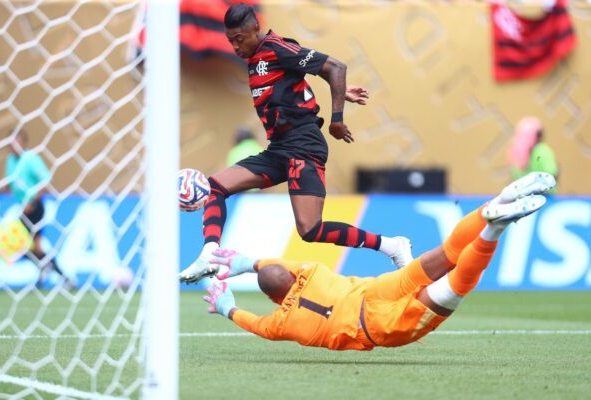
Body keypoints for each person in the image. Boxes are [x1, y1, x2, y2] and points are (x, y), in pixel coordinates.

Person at [179, 3, 412, 284]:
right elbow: (306, 73)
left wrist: (337, 118)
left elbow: (335, 66)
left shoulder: (276, 48)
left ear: (255, 29)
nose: (235, 47)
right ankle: (210, 253)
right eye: (231, 41)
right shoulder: (256, 58)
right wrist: (338, 88)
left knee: (310, 229)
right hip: (279, 147)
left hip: (304, 144)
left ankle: (391, 246)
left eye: (239, 39)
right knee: (214, 187)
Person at [203, 172, 555, 351]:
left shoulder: (283, 323)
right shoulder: (310, 271)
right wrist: (248, 263)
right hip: (379, 289)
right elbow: (282, 267)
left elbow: (256, 324)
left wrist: (226, 307)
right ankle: (501, 199)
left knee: (456, 286)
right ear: (291, 278)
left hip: (377, 325)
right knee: (447, 252)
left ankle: (495, 227)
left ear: (272, 299)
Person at [4, 131, 74, 289]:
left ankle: (59, 275)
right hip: (24, 209)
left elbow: (45, 181)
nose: (13, 145)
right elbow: (10, 183)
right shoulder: (10, 161)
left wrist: (32, 200)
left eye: (16, 142)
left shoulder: (31, 159)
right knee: (25, 247)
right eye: (11, 142)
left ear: (23, 143)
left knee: (31, 246)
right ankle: (49, 271)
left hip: (35, 208)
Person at [508, 116, 559, 193]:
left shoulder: (515, 151)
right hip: (544, 196)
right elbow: (552, 173)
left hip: (522, 196)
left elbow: (514, 178)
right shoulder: (542, 150)